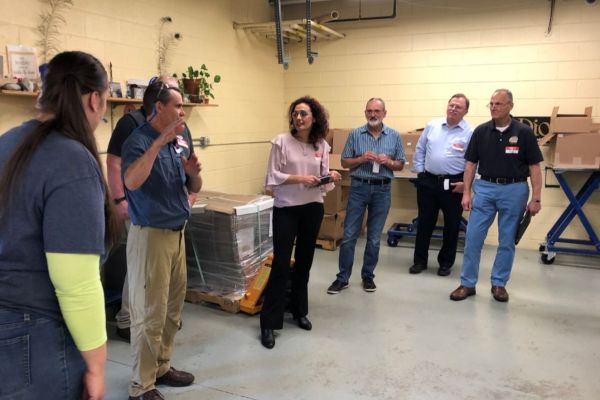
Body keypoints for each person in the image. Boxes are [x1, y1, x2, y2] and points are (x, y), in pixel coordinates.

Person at [0, 51, 120, 399]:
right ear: (95, 100)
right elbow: (75, 282)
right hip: (36, 335)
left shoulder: (7, 143)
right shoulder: (71, 159)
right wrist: (96, 365)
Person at [121, 80, 202, 399]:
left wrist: (194, 173)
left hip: (177, 234)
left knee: (171, 310)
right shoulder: (138, 141)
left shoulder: (182, 139)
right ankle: (141, 385)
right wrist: (159, 143)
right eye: (178, 106)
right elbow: (131, 181)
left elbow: (193, 185)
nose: (183, 112)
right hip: (150, 237)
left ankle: (162, 367)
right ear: (159, 107)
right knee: (149, 313)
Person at [106, 75, 196, 342]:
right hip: (145, 217)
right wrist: (120, 200)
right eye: (175, 99)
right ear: (158, 102)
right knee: (141, 278)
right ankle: (127, 319)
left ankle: (162, 350)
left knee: (167, 292)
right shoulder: (132, 126)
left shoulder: (181, 130)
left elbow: (189, 165)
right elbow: (114, 163)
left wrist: (192, 194)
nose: (181, 109)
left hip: (175, 222)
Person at [261, 96, 341, 349]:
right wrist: (300, 178)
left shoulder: (321, 145)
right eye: (295, 113)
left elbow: (323, 180)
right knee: (281, 263)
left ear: (314, 118)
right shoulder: (281, 142)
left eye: (304, 114)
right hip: (286, 209)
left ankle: (299, 311)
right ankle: (269, 323)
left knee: (305, 262)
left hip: (313, 208)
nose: (298, 118)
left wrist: (330, 176)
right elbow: (272, 176)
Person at [450, 89, 543, 303]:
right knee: (473, 238)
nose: (493, 107)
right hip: (485, 188)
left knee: (507, 240)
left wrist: (536, 198)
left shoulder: (524, 132)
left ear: (510, 106)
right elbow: (470, 164)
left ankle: (499, 284)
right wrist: (467, 192)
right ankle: (467, 284)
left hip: (515, 189)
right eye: (491, 104)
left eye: (498, 104)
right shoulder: (481, 131)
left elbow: (534, 167)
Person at [327, 98, 405, 295]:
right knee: (349, 236)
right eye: (369, 111)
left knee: (374, 238)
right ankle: (342, 278)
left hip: (382, 190)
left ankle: (368, 276)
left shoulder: (394, 136)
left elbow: (401, 164)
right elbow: (344, 162)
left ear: (384, 113)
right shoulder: (355, 134)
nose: (373, 114)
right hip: (359, 188)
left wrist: (389, 162)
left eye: (377, 111)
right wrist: (361, 159)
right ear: (365, 113)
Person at [410, 94, 473, 277]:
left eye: (458, 107)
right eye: (451, 105)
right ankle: (419, 261)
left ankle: (445, 263)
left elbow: (474, 161)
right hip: (428, 181)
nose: (453, 108)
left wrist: (467, 185)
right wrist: (420, 172)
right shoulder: (432, 125)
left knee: (452, 226)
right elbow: (420, 149)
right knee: (424, 223)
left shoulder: (470, 132)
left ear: (466, 111)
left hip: (454, 185)